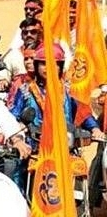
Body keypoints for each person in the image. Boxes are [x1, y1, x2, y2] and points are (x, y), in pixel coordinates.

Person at [9, 42, 104, 190]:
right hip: (34, 147)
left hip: (64, 147)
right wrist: (19, 128)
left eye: (55, 64)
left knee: (80, 174)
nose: (49, 68)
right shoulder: (26, 90)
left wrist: (94, 129)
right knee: (18, 179)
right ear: (36, 65)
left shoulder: (69, 91)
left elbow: (83, 113)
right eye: (43, 64)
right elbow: (13, 117)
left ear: (60, 67)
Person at [0, 17, 42, 92]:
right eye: (25, 33)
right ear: (21, 36)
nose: (29, 35)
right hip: (18, 95)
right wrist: (1, 80)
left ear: (40, 34)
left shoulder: (47, 54)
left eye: (33, 32)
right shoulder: (13, 54)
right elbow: (4, 72)